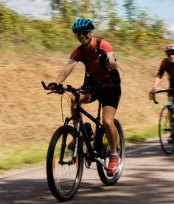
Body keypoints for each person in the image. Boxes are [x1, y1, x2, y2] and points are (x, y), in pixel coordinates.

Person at [46, 18, 122, 176]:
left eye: (85, 33)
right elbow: (68, 67)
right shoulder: (79, 51)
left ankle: (114, 155)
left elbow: (114, 64)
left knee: (107, 121)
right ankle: (83, 132)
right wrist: (57, 83)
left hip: (110, 86)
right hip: (92, 85)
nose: (82, 36)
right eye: (78, 35)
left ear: (91, 32)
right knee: (74, 99)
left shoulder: (103, 45)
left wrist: (107, 61)